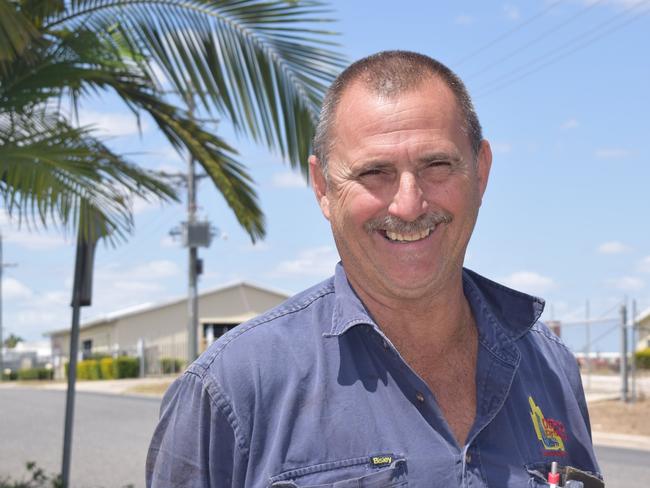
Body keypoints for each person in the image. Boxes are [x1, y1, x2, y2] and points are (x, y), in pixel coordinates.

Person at [146, 51, 601, 487]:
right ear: (323, 187)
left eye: (437, 165)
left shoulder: (549, 366)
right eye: (374, 173)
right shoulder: (233, 388)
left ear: (480, 172)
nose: (408, 205)